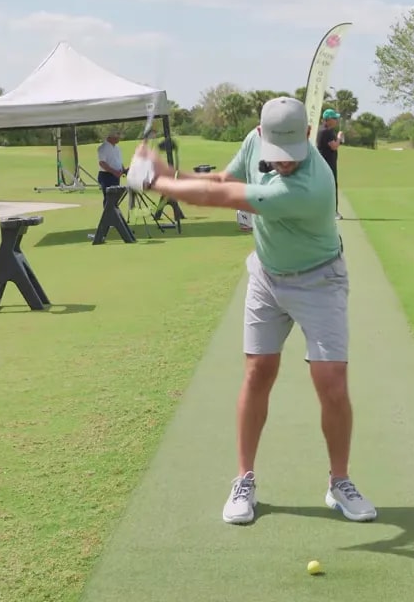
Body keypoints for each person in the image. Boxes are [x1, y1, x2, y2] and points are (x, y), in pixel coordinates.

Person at [125, 96, 376, 526]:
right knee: (258, 372)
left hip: (320, 280)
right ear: (261, 136)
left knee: (330, 380)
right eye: (277, 156)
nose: (284, 164)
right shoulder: (253, 142)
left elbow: (219, 198)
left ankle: (340, 482)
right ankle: (244, 479)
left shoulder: (311, 186)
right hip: (267, 276)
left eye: (292, 156)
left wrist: (154, 182)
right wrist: (168, 173)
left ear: (308, 138)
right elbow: (222, 179)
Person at [316, 109, 344, 220]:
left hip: (324, 163)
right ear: (328, 120)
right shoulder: (326, 131)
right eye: (334, 118)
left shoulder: (324, 130)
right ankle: (333, 212)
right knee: (331, 187)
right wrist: (339, 138)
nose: (336, 120)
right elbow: (334, 146)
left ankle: (324, 211)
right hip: (327, 164)